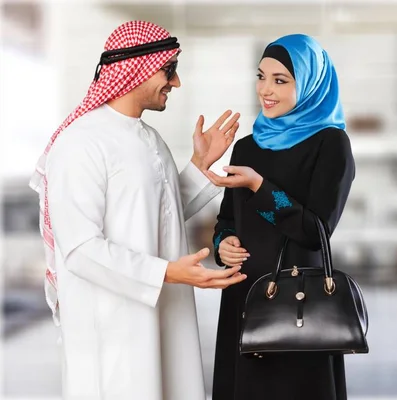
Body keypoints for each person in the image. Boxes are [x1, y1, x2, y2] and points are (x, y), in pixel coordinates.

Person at [29, 21, 247, 400]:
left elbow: (157, 214)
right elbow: (80, 249)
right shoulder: (81, 142)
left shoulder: (149, 139)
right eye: (170, 70)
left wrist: (199, 166)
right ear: (140, 66)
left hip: (162, 319)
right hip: (112, 331)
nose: (175, 83)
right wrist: (167, 273)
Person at [204, 34, 355, 400]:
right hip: (244, 301)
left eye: (280, 80)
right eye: (261, 76)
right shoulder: (247, 146)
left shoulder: (331, 144)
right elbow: (226, 220)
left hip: (298, 305)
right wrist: (223, 244)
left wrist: (260, 186)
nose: (265, 90)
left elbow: (314, 230)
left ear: (310, 84)